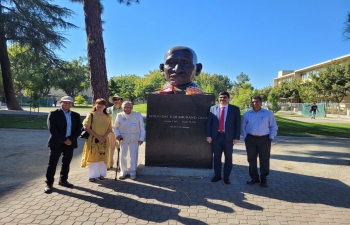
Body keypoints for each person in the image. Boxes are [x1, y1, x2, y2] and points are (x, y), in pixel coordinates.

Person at [45, 96, 83, 193]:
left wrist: (70, 139)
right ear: (60, 103)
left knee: (66, 163)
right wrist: (63, 140)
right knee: (52, 164)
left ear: (72, 104)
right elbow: (52, 129)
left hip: (70, 143)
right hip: (56, 143)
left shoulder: (76, 115)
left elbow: (79, 129)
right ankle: (49, 183)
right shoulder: (53, 114)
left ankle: (63, 180)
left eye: (69, 103)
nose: (67, 104)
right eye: (65, 102)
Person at [242, 96, 278, 187]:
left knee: (264, 159)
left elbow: (273, 126)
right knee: (251, 159)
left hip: (264, 139)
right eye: (253, 102)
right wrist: (246, 137)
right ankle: (254, 177)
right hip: (250, 139)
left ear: (261, 103)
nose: (255, 103)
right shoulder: (247, 114)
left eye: (257, 101)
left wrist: (270, 137)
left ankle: (264, 178)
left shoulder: (268, 114)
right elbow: (243, 127)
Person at [206, 92, 241, 184]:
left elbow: (238, 125)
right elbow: (209, 124)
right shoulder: (213, 108)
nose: (222, 99)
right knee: (217, 157)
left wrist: (237, 137)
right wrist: (209, 135)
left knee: (228, 158)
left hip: (228, 137)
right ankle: (217, 176)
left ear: (229, 98)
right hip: (216, 137)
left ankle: (226, 177)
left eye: (224, 97)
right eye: (220, 97)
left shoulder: (235, 109)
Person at [81, 98, 113, 182]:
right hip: (93, 140)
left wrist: (104, 136)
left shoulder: (108, 116)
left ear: (105, 106)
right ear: (95, 105)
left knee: (103, 157)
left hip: (105, 140)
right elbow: (86, 127)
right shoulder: (91, 115)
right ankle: (92, 175)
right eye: (98, 104)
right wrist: (98, 137)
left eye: (102, 104)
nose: (100, 106)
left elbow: (110, 128)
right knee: (93, 157)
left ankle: (101, 174)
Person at [114, 101, 145, 180]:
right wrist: (117, 135)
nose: (126, 109)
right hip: (123, 139)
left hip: (134, 139)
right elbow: (115, 127)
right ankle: (123, 171)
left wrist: (141, 138)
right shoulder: (119, 115)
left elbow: (142, 128)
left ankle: (132, 171)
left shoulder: (137, 114)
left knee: (133, 155)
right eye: (124, 107)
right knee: (122, 156)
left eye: (128, 107)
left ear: (131, 108)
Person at [106, 94, 124, 169]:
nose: (117, 101)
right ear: (113, 101)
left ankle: (120, 165)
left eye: (119, 99)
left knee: (121, 150)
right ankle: (110, 164)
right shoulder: (108, 109)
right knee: (110, 149)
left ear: (121, 101)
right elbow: (106, 121)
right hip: (111, 132)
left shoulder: (124, 109)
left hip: (122, 133)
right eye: (115, 99)